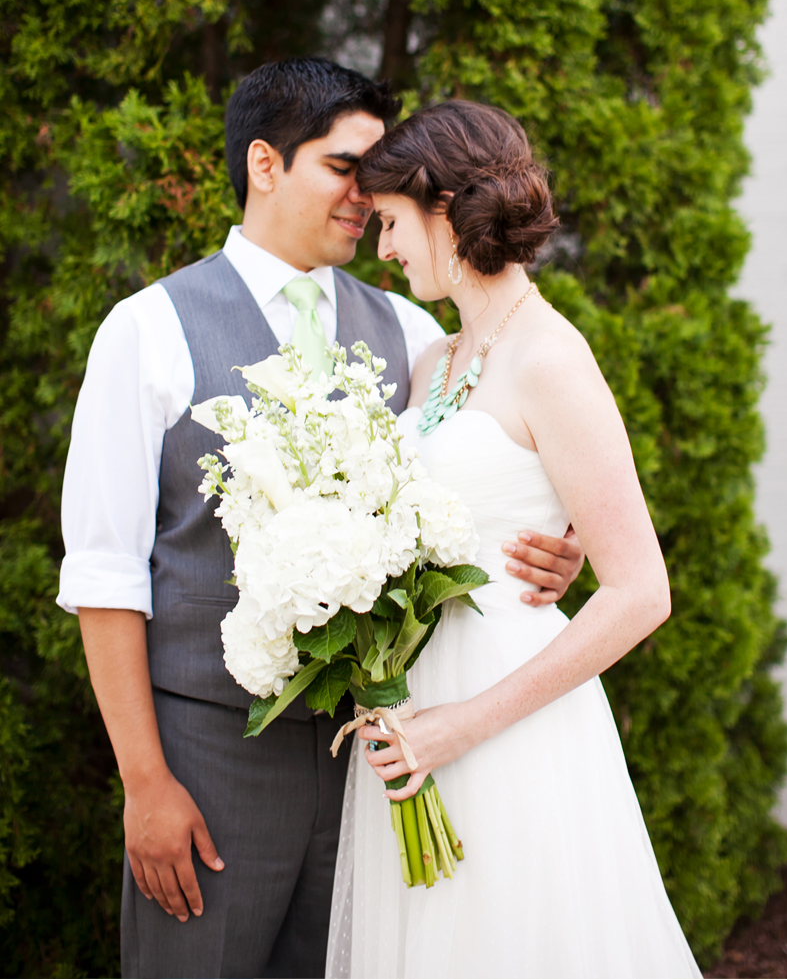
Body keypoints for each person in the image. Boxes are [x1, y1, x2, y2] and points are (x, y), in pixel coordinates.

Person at [58, 59, 585, 979]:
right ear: (265, 163)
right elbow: (104, 576)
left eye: (382, 173)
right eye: (346, 166)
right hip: (211, 762)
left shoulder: (419, 334)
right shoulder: (145, 331)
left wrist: (553, 548)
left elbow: (486, 479)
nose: (370, 193)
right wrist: (146, 783)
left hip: (376, 763)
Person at [326, 99, 698, 978]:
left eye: (391, 222)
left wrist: (461, 726)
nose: (383, 249)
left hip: (507, 720)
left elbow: (643, 591)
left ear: (444, 210)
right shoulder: (434, 361)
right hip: (411, 707)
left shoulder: (551, 358)